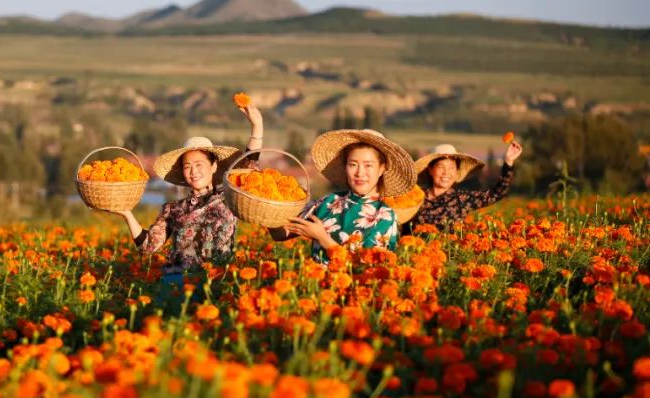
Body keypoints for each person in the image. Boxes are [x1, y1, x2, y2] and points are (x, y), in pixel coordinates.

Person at [113, 104, 263, 283]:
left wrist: (257, 126)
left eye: (199, 164)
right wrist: (126, 213)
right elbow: (149, 246)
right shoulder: (173, 209)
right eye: (187, 166)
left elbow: (249, 167)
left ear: (213, 166)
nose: (193, 171)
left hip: (216, 280)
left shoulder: (228, 197)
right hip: (176, 282)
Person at [270, 129, 415, 262]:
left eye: (368, 165)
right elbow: (281, 234)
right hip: (315, 286)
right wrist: (267, 214)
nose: (359, 173)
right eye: (353, 164)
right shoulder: (329, 201)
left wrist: (322, 237)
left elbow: (365, 266)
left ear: (381, 168)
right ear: (345, 167)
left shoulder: (385, 216)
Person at [403, 141, 523, 233]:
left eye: (451, 168)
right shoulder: (415, 197)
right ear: (430, 169)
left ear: (456, 172)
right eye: (441, 167)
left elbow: (497, 193)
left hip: (449, 258)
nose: (446, 173)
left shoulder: (462, 199)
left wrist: (508, 162)